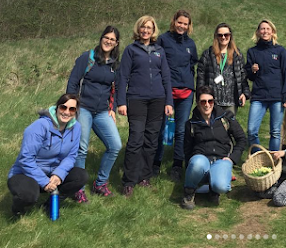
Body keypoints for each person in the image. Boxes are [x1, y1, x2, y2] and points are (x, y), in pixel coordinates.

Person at [117, 15, 173, 197]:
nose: (146, 30)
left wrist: (169, 102)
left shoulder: (159, 50)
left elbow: (166, 77)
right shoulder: (131, 50)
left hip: (158, 99)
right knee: (135, 140)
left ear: (153, 30)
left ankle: (144, 177)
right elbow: (122, 77)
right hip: (136, 99)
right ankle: (129, 181)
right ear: (138, 29)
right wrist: (121, 102)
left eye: (149, 27)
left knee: (151, 141)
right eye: (143, 27)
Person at [8, 94, 88, 217]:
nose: (67, 112)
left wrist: (59, 174)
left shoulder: (76, 127)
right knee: (28, 196)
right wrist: (44, 182)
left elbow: (71, 156)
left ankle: (49, 205)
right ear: (57, 108)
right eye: (63, 107)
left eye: (72, 109)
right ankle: (17, 209)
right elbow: (26, 159)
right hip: (25, 173)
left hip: (52, 173)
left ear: (76, 112)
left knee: (81, 176)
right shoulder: (39, 126)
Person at [66, 26, 122, 202]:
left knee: (115, 146)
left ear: (116, 43)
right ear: (101, 38)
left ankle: (100, 183)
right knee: (81, 149)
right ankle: (78, 189)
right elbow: (73, 82)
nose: (108, 41)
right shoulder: (88, 57)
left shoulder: (115, 64)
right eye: (106, 38)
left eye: (112, 40)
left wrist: (112, 110)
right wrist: (72, 108)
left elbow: (117, 88)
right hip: (84, 109)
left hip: (102, 111)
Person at [181, 87, 246, 210]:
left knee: (222, 186)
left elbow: (242, 138)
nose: (207, 105)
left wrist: (232, 158)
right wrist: (191, 171)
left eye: (210, 101)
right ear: (197, 103)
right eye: (203, 101)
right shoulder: (190, 124)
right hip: (201, 160)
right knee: (197, 163)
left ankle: (213, 188)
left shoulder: (225, 118)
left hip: (221, 160)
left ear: (214, 102)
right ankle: (189, 192)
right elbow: (187, 150)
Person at [153, 9, 198, 182]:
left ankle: (177, 166)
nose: (182, 26)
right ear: (174, 22)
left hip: (186, 92)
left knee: (181, 130)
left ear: (189, 26)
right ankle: (155, 163)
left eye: (185, 24)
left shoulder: (191, 44)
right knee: (161, 127)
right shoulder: (163, 40)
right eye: (179, 22)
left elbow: (192, 65)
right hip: (166, 91)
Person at [246, 19, 286, 151]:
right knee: (251, 130)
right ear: (258, 32)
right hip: (259, 96)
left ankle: (274, 161)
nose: (265, 31)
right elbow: (249, 76)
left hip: (276, 97)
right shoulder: (252, 52)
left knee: (275, 132)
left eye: (268, 29)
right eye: (262, 29)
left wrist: (285, 96)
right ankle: (259, 157)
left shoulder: (280, 51)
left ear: (272, 32)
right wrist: (252, 70)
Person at [197, 23, 251, 115]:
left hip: (231, 101)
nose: (223, 37)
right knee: (213, 128)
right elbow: (200, 76)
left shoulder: (237, 54)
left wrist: (244, 93)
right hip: (212, 100)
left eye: (226, 35)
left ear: (230, 36)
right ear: (216, 37)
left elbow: (242, 75)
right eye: (220, 35)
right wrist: (200, 96)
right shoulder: (208, 54)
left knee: (230, 127)